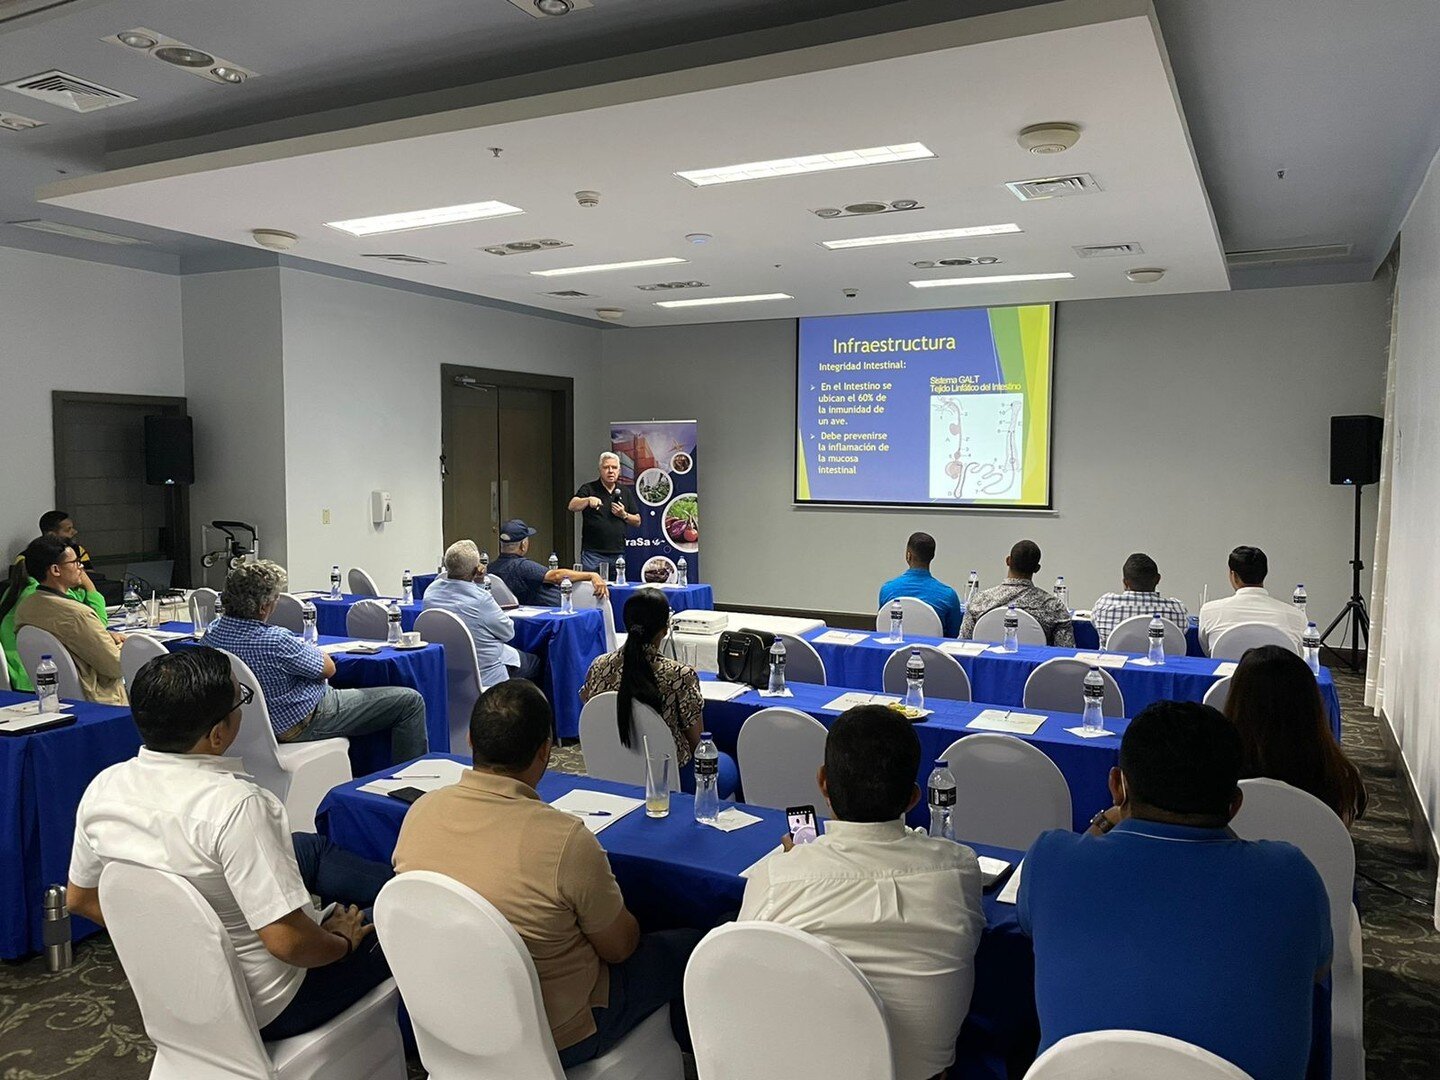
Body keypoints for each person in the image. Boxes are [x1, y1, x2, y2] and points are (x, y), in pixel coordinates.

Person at [65, 647, 394, 1039]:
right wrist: (340, 942)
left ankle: (393, 884)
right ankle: (408, 890)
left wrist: (171, 937)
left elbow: (80, 899)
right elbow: (288, 943)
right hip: (274, 1005)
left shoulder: (104, 786)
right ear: (218, 734)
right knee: (403, 915)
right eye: (240, 701)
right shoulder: (239, 807)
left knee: (304, 848)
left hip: (174, 993)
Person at [393, 679, 701, 1066]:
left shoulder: (419, 813)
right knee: (700, 944)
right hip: (561, 1033)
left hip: (447, 1016)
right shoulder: (564, 840)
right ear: (546, 752)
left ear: (470, 741)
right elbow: (621, 948)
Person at [1018, 701, 1331, 1080]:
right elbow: (1316, 972)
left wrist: (1105, 819)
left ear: (1117, 785)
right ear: (1234, 805)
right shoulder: (1292, 876)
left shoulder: (1052, 859)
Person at [739, 705, 985, 1080]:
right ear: (914, 798)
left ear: (823, 782)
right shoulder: (960, 869)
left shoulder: (776, 877)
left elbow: (746, 964)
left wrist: (799, 862)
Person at [203, 560, 428, 765]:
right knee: (410, 701)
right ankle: (408, 780)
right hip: (299, 722)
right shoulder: (275, 640)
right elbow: (328, 668)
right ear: (263, 608)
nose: (276, 603)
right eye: (275, 599)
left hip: (249, 727)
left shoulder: (212, 634)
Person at [579, 589, 738, 798]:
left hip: (610, 769)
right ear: (665, 628)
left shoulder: (598, 666)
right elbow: (697, 743)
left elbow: (590, 708)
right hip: (671, 777)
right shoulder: (679, 676)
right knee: (727, 764)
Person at [1226, 644, 1368, 827]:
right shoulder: (1342, 777)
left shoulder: (1214, 773)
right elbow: (1340, 842)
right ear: (1312, 705)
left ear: (1237, 702)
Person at [11, 535, 126, 704]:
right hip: (98, 699)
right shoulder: (77, 614)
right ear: (56, 570)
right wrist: (125, 645)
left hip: (55, 697)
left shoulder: (27, 607)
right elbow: (115, 666)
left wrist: (104, 636)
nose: (81, 567)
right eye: (75, 563)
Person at [423, 539, 541, 685]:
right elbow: (508, 633)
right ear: (476, 569)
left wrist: (476, 582)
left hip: (448, 670)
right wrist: (479, 583)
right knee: (536, 663)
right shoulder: (480, 599)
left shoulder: (430, 591)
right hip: (487, 671)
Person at [957, 540, 1075, 646]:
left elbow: (962, 644)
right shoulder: (1054, 606)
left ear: (1008, 561)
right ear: (1037, 569)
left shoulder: (980, 600)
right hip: (1035, 669)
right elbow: (1066, 651)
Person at [1198, 545, 1307, 654]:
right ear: (1265, 573)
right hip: (1278, 670)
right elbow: (1301, 656)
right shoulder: (1297, 617)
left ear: (1234, 575)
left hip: (1226, 671)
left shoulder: (1209, 611)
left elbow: (1207, 651)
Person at [490, 519, 609, 608]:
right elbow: (556, 576)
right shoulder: (523, 566)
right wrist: (592, 575)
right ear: (523, 545)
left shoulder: (490, 569)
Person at [1090, 552, 1189, 646]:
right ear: (1158, 579)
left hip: (1113, 664)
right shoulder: (1177, 609)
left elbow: (1095, 625)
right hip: (1163, 663)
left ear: (1125, 582)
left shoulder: (1105, 604)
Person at [877, 531, 963, 638]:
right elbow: (955, 637)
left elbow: (882, 631)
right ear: (932, 556)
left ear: (908, 555)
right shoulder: (949, 595)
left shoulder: (887, 590)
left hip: (894, 653)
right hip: (933, 654)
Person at [567, 452, 640, 574]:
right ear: (600, 470)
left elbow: (637, 521)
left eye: (614, 467)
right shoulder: (589, 488)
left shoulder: (625, 491)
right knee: (589, 589)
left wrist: (624, 514)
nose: (610, 471)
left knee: (615, 590)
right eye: (606, 467)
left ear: (619, 470)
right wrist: (588, 500)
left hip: (617, 554)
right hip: (592, 554)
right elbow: (572, 505)